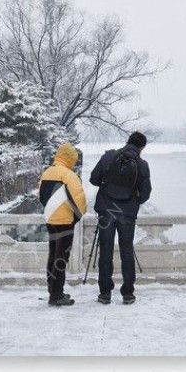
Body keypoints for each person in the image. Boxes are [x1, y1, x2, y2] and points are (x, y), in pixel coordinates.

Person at [88, 131, 152, 304]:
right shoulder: (142, 164)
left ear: (128, 141)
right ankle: (128, 293)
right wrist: (132, 200)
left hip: (106, 211)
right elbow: (145, 194)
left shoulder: (108, 157)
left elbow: (93, 179)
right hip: (127, 214)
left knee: (106, 251)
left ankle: (105, 293)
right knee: (126, 251)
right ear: (142, 147)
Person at [38, 142, 87, 306]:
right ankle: (57, 295)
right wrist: (76, 218)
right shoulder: (68, 175)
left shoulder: (47, 172)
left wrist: (50, 211)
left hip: (50, 219)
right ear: (71, 159)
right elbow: (79, 201)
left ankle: (52, 289)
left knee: (53, 255)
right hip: (65, 221)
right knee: (61, 258)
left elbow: (41, 196)